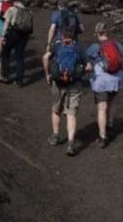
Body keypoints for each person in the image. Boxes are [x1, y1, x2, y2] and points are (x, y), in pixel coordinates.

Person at [86, 21, 123, 147]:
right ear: (107, 32)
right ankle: (110, 126)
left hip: (101, 82)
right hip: (116, 80)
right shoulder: (115, 44)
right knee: (112, 103)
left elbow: (87, 64)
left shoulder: (94, 47)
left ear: (97, 33)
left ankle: (103, 137)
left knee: (102, 108)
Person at [43, 27, 91, 156]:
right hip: (74, 85)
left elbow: (45, 57)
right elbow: (89, 66)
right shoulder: (79, 48)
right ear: (75, 36)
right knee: (71, 114)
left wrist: (48, 74)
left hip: (58, 83)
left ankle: (55, 136)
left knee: (56, 109)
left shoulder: (57, 46)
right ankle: (70, 143)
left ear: (63, 36)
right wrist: (79, 74)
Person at [0, 0, 33, 87]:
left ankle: (5, 76)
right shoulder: (29, 11)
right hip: (24, 36)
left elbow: (6, 22)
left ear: (15, 2)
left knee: (6, 54)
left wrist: (2, 35)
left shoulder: (11, 9)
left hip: (13, 33)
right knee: (20, 58)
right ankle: (19, 81)